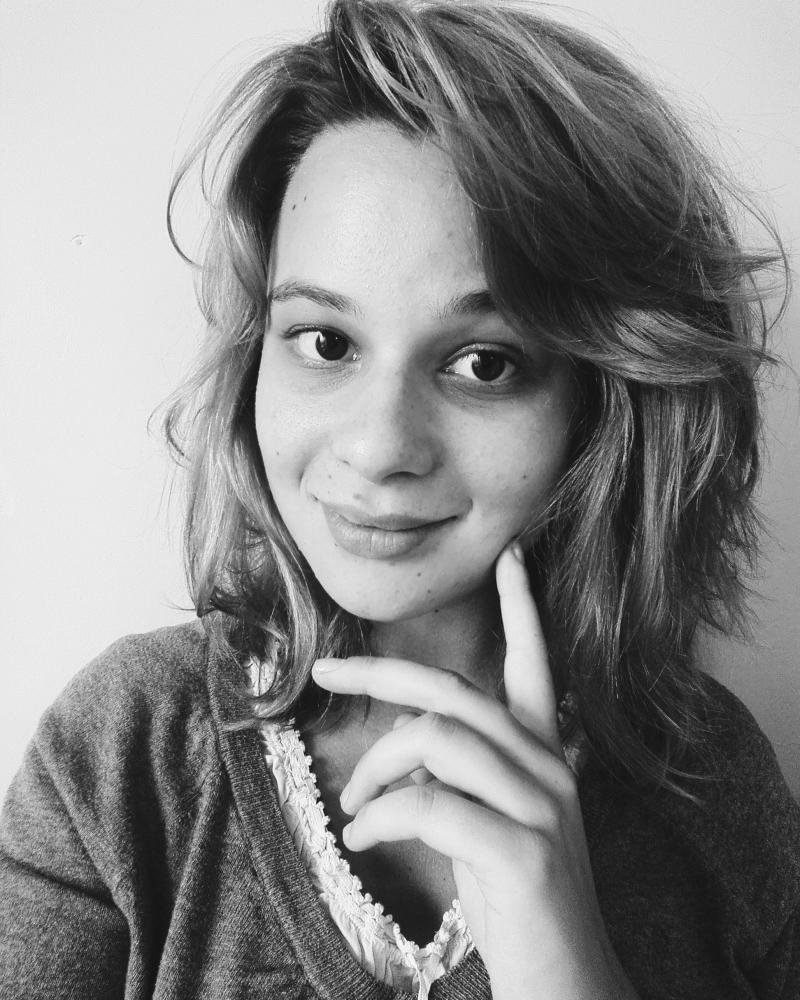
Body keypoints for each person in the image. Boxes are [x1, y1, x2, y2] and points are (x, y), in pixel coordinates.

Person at [1, 0, 798, 997]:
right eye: (325, 342)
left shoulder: (713, 788)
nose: (379, 448)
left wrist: (567, 965)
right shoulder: (123, 754)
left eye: (483, 362)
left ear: (603, 398)